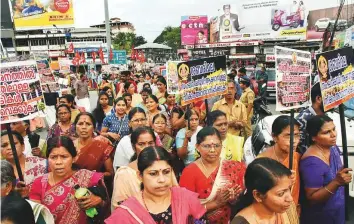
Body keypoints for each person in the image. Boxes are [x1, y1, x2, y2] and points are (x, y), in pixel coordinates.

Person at [105, 146, 207, 223]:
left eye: (166, 172)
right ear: (140, 176)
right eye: (153, 174)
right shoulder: (127, 212)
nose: (162, 180)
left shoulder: (187, 199)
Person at [29, 136, 109, 224]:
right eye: (53, 157)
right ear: (47, 158)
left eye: (64, 157)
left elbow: (107, 207)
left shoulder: (87, 177)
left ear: (74, 158)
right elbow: (36, 217)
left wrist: (98, 201)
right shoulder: (39, 183)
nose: (58, 162)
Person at [180, 127, 245, 223]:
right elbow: (185, 208)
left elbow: (241, 198)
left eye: (217, 145)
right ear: (197, 147)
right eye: (207, 146)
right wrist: (216, 203)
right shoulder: (189, 172)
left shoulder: (233, 167)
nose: (212, 150)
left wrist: (232, 198)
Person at [300, 115, 352, 224]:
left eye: (334, 129)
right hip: (321, 217)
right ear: (313, 137)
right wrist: (337, 182)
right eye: (326, 132)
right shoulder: (311, 162)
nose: (333, 134)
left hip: (337, 211)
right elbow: (312, 198)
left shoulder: (332, 147)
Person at [111, 127, 177, 211]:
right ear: (133, 146)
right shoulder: (124, 174)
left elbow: (176, 194)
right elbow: (119, 207)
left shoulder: (164, 168)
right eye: (141, 144)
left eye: (150, 143)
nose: (147, 147)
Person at [231, 158, 298, 224]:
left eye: (289, 188)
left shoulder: (288, 210)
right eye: (281, 194)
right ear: (258, 195)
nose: (290, 199)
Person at [257, 115, 301, 207]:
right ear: (274, 137)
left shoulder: (297, 157)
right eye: (288, 136)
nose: (294, 141)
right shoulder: (262, 163)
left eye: (297, 135)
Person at [1, 130, 48, 196]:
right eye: (4, 145)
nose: (9, 148)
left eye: (14, 144)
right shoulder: (1, 169)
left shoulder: (42, 164)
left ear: (23, 146)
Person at [73, 112, 114, 180]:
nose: (84, 127)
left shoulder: (102, 147)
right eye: (80, 124)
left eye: (88, 124)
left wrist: (92, 176)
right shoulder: (69, 146)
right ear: (75, 127)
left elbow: (110, 173)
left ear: (94, 128)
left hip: (94, 186)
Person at [296, 82, 325, 154]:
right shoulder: (303, 120)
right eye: (330, 97)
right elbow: (301, 150)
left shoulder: (325, 116)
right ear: (318, 99)